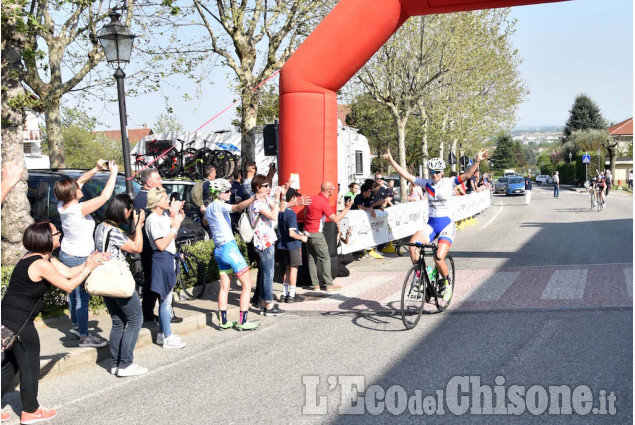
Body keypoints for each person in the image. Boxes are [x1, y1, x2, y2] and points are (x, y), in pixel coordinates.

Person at [1, 222, 104, 424]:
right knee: (29, 366)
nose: (60, 234)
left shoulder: (40, 257)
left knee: (11, 365)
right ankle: (31, 411)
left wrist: (90, 262)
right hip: (21, 322)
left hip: (10, 318)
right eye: (57, 232)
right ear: (46, 238)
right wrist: (89, 267)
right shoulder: (40, 263)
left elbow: (68, 272)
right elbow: (68, 286)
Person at [383, 148, 487, 302]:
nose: (435, 175)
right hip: (431, 224)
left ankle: (446, 282)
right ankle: (423, 273)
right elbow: (406, 175)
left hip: (446, 225)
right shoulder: (426, 183)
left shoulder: (449, 182)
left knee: (439, 258)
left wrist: (477, 160)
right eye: (432, 172)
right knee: (413, 246)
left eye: (437, 172)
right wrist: (391, 160)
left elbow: (468, 175)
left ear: (442, 172)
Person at [54, 160, 117, 348]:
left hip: (66, 253)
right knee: (82, 298)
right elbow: (105, 197)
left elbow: (80, 181)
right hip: (81, 256)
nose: (80, 187)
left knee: (73, 293)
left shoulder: (62, 204)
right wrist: (112, 172)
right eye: (77, 188)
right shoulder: (78, 209)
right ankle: (84, 336)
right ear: (73, 194)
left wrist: (97, 169)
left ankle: (75, 325)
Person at [95, 194, 147, 376]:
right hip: (118, 281)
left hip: (105, 281)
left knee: (118, 322)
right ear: (125, 209)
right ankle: (126, 364)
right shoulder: (114, 231)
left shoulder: (101, 227)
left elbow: (126, 242)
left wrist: (135, 227)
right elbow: (137, 247)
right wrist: (139, 225)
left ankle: (115, 364)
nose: (130, 215)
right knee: (135, 320)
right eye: (130, 211)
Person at [203, 179, 260, 330]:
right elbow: (237, 207)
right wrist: (253, 198)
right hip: (229, 247)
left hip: (219, 250)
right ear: (218, 193)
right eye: (227, 191)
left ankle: (223, 321)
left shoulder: (209, 207)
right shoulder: (221, 205)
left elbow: (205, 222)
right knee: (247, 284)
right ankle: (243, 321)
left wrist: (205, 212)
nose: (230, 193)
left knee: (224, 287)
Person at [133, 168, 179, 324]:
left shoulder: (142, 197)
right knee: (157, 283)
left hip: (152, 247)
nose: (161, 181)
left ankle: (151, 313)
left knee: (153, 281)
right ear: (149, 182)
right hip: (152, 248)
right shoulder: (144, 200)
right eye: (158, 179)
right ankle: (159, 315)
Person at [145, 188, 187, 349]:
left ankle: (163, 334)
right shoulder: (153, 219)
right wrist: (174, 227)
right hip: (162, 259)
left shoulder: (162, 216)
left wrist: (176, 218)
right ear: (156, 202)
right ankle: (167, 336)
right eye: (164, 198)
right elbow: (161, 244)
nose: (168, 200)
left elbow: (171, 237)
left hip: (169, 258)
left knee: (166, 298)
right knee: (165, 299)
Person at [304, 181, 353, 291]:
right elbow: (335, 219)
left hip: (307, 232)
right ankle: (329, 284)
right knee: (325, 257)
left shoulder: (312, 198)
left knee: (311, 259)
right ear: (329, 190)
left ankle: (315, 285)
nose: (334, 190)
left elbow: (304, 214)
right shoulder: (323, 202)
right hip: (316, 233)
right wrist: (347, 208)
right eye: (333, 189)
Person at [249, 175, 286, 316]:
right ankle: (268, 305)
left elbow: (281, 209)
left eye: (269, 185)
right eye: (266, 186)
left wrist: (281, 196)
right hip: (263, 242)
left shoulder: (265, 199)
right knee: (268, 274)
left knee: (267, 273)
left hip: (268, 240)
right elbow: (274, 216)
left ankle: (265, 303)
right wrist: (276, 199)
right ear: (258, 188)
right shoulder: (257, 203)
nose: (268, 188)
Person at [276, 188, 308, 303]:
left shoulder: (280, 212)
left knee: (287, 269)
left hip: (281, 244)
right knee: (294, 269)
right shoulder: (292, 214)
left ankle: (284, 294)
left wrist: (297, 232)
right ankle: (292, 294)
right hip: (292, 245)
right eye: (296, 197)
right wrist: (302, 238)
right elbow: (291, 233)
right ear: (293, 198)